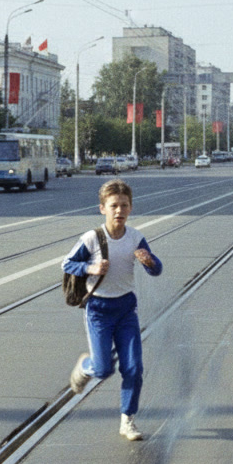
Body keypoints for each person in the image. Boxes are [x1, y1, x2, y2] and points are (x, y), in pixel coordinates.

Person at [62, 179, 163, 441]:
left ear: (130, 208)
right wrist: (90, 268)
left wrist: (149, 261)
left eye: (124, 206)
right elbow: (67, 263)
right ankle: (85, 366)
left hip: (126, 309)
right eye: (114, 206)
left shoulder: (136, 237)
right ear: (102, 209)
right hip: (99, 310)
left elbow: (156, 270)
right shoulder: (92, 239)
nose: (119, 210)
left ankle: (127, 420)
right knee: (103, 369)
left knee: (133, 368)